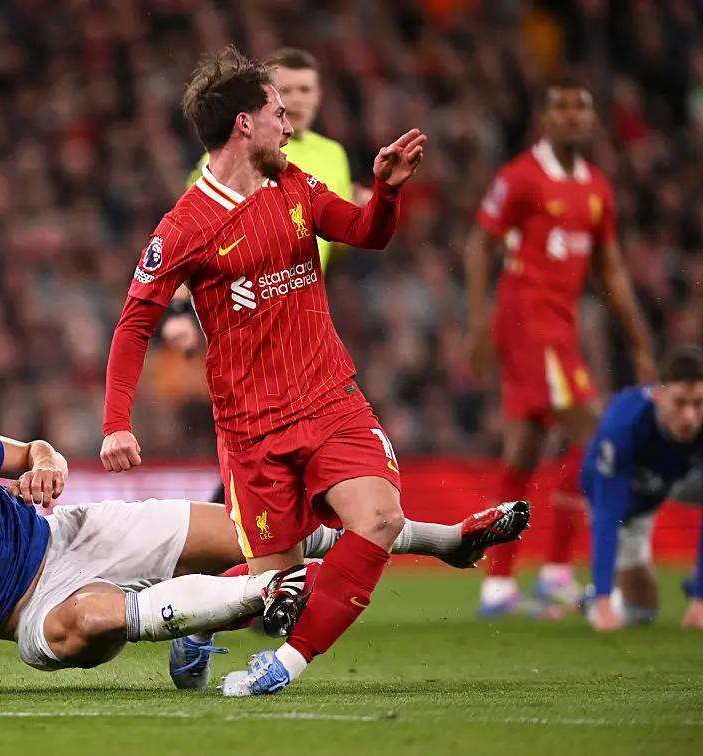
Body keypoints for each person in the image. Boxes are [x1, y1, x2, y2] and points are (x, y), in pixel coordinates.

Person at [99, 47, 529, 697]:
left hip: (328, 397)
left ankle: (285, 665)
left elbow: (365, 232)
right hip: (251, 426)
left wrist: (385, 190)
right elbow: (134, 323)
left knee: (378, 520)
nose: (289, 120)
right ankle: (197, 621)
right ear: (245, 123)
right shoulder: (185, 224)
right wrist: (116, 423)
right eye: (277, 109)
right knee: (275, 590)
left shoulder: (292, 181)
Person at [0, 391, 528, 697]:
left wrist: (50, 463)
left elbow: (31, 454)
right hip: (33, 611)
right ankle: (251, 599)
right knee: (91, 623)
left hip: (75, 530)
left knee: (250, 532)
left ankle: (448, 541)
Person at [464, 77, 657, 617]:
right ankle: (558, 572)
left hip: (560, 326)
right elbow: (479, 241)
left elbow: (611, 268)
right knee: (596, 433)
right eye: (561, 107)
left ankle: (500, 586)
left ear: (592, 121)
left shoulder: (596, 187)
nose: (572, 117)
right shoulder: (520, 178)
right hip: (525, 320)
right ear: (544, 119)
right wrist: (478, 322)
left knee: (526, 447)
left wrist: (639, 342)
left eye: (581, 108)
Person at [164, 47, 371, 506]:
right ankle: (225, 533)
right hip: (246, 313)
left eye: (306, 90)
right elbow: (189, 245)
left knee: (311, 434)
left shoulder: (332, 155)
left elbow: (330, 228)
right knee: (259, 437)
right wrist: (179, 311)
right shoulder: (230, 158)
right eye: (288, 91)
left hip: (302, 308)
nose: (297, 100)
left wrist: (365, 208)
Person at [579, 346, 703, 632]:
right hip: (632, 498)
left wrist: (699, 601)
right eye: (680, 403)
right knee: (639, 612)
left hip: (685, 478)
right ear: (659, 395)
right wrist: (603, 603)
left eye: (698, 404)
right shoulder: (623, 426)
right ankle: (587, 599)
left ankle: (696, 581)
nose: (689, 417)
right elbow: (608, 514)